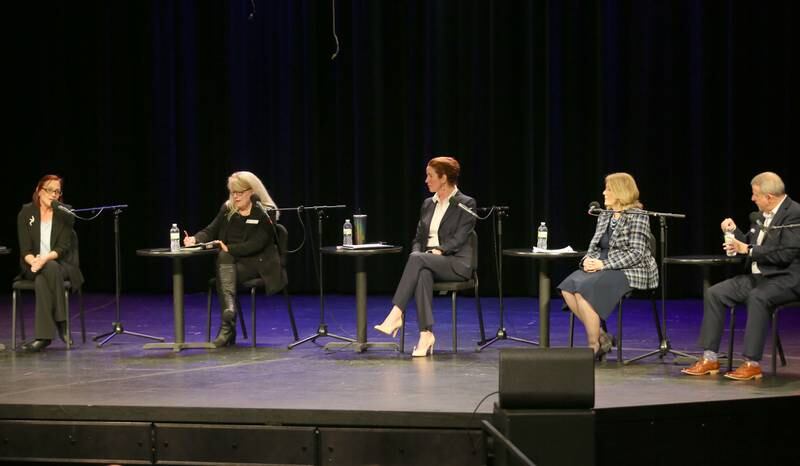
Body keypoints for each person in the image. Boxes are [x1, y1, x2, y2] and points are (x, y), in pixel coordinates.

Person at [682, 172, 800, 380]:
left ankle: (751, 363)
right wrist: (734, 232)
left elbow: (786, 252)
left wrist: (748, 249)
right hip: (759, 277)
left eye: (755, 195)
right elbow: (750, 243)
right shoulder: (761, 214)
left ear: (769, 197)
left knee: (758, 297)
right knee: (715, 293)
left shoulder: (795, 214)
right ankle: (710, 358)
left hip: (787, 277)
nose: (752, 199)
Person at [373, 156, 477, 357]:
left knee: (419, 260)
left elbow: (460, 238)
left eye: (430, 176)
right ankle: (426, 334)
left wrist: (439, 250)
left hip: (456, 263)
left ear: (444, 178)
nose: (426, 180)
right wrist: (416, 253)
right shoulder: (428, 204)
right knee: (422, 272)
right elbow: (418, 238)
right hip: (427, 262)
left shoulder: (466, 203)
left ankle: (396, 313)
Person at [558, 172, 658, 360]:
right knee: (568, 287)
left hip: (630, 269)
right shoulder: (605, 216)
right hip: (602, 266)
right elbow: (594, 246)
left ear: (621, 192)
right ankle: (603, 337)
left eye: (608, 189)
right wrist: (587, 261)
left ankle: (593, 345)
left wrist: (603, 264)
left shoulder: (638, 216)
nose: (604, 193)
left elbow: (636, 254)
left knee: (584, 290)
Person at [184, 171, 283, 347]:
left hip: (259, 263)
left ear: (251, 191)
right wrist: (195, 239)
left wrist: (229, 248)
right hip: (232, 263)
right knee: (224, 261)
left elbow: (257, 244)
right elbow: (210, 230)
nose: (235, 197)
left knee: (224, 267)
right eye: (233, 192)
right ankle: (229, 312)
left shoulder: (266, 212)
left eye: (239, 192)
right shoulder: (228, 208)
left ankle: (227, 328)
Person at [16, 175, 84, 352]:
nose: (53, 195)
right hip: (31, 264)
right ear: (39, 191)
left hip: (59, 264)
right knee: (42, 274)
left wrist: (44, 260)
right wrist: (35, 262)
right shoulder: (26, 213)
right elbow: (25, 250)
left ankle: (43, 337)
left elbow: (62, 248)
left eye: (57, 191)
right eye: (49, 190)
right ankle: (62, 323)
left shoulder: (66, 214)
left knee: (46, 274)